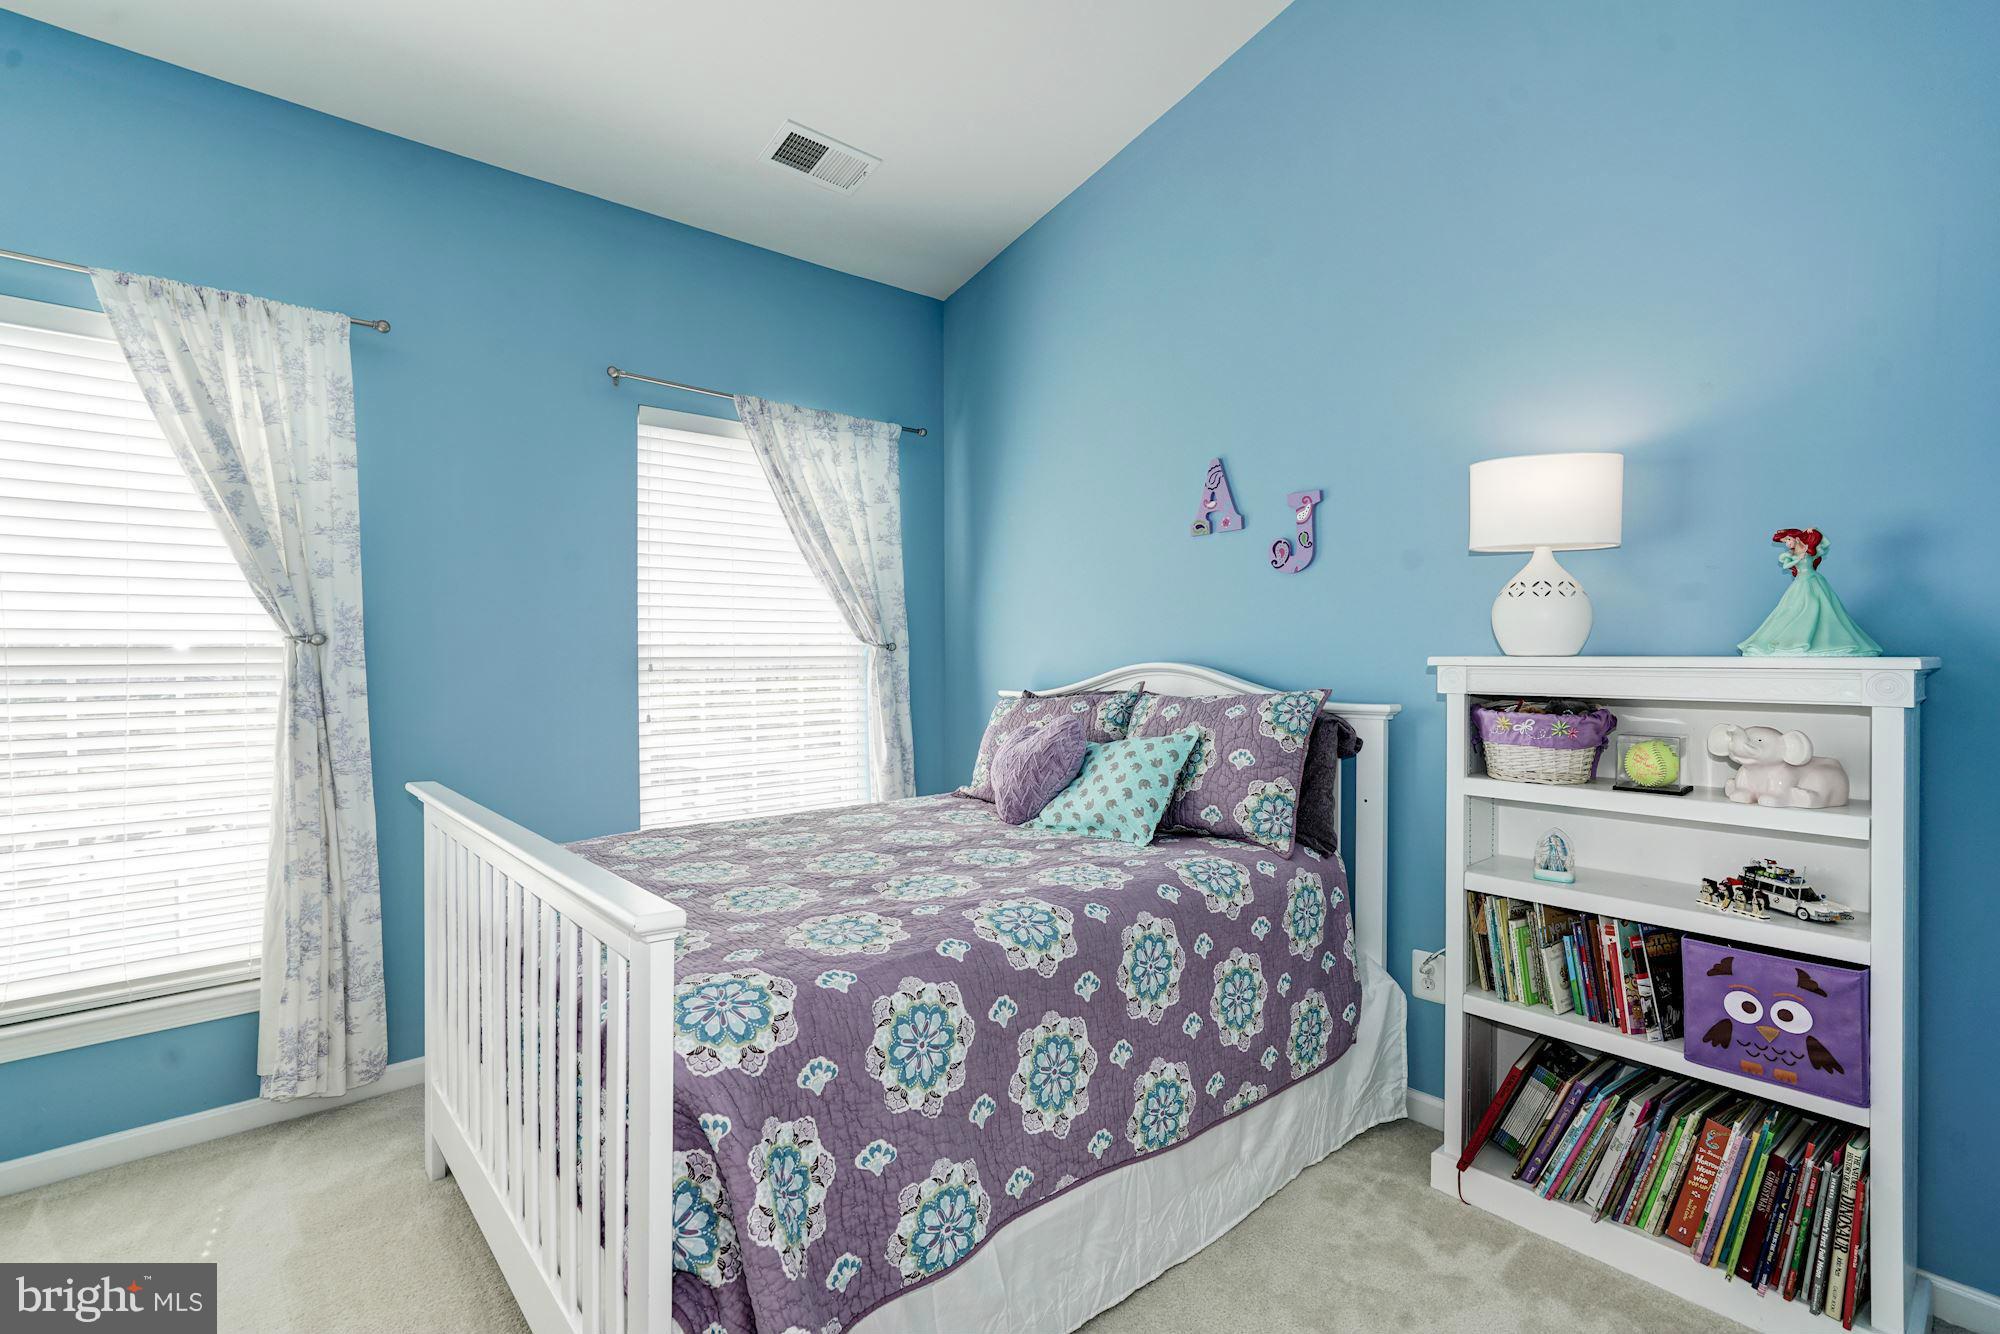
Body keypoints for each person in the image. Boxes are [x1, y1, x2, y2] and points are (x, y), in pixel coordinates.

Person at [1737, 527, 1883, 656]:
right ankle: (1796, 640)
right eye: (1785, 542)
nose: (1787, 543)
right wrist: (1797, 559)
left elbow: (1826, 544)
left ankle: (1823, 640)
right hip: (1801, 582)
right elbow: (1786, 565)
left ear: (1795, 538)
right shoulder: (1789, 555)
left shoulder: (1810, 550)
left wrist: (1815, 531)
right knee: (1795, 608)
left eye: (1788, 539)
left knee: (1822, 607)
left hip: (1814, 580)